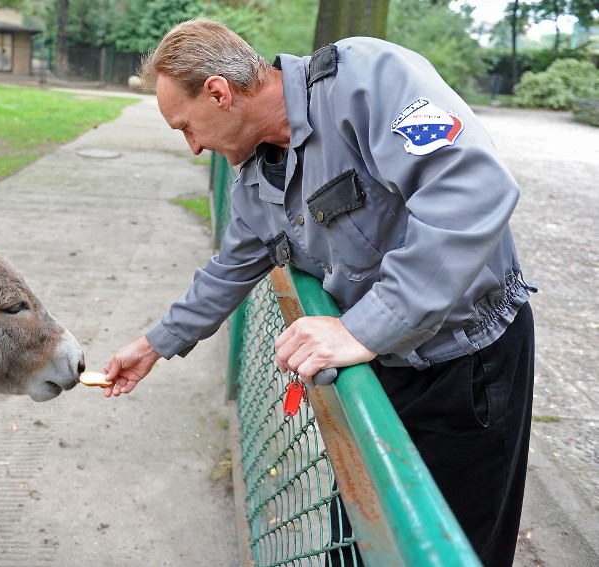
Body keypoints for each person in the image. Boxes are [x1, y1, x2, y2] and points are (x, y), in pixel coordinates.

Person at [101, 18, 535, 567]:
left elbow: (473, 189)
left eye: (187, 127)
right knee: (362, 541)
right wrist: (153, 345)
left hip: (467, 365)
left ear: (219, 92)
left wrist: (360, 327)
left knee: (450, 546)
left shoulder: (366, 79)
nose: (193, 148)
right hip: (378, 370)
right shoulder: (258, 178)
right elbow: (229, 268)